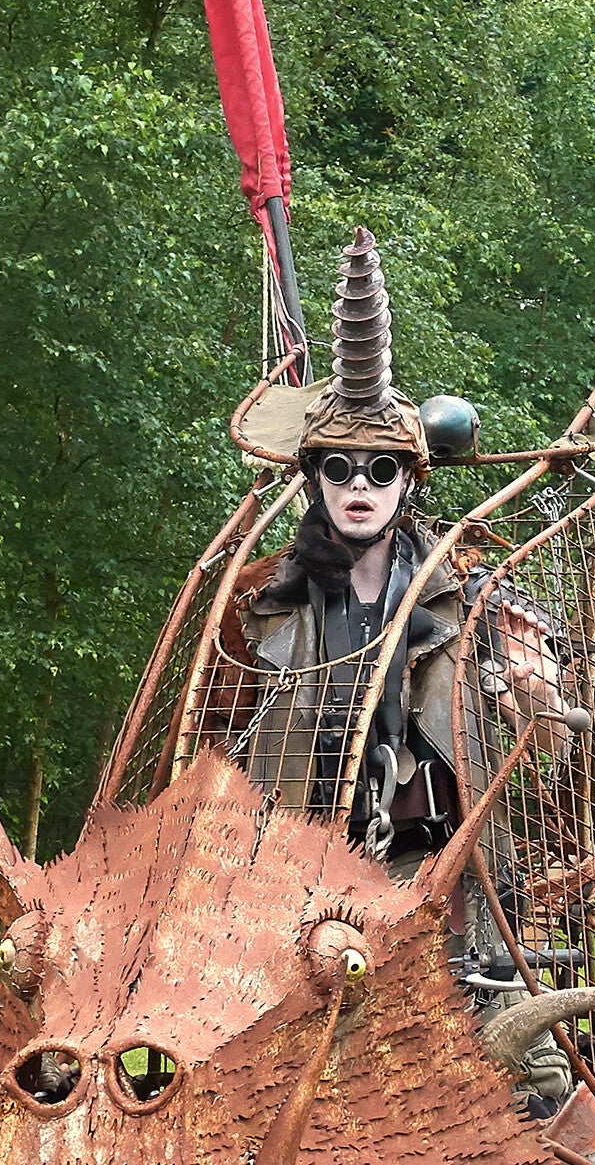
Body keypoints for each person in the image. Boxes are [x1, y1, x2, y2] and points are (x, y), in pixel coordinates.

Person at [235, 229, 572, 1105]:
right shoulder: (263, 602)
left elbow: (550, 738)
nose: (359, 485)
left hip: (440, 862)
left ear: (409, 483)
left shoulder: (473, 594)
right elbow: (222, 742)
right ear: (313, 480)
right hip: (303, 865)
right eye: (338, 467)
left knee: (510, 1065)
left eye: (380, 468)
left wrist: (530, 692)